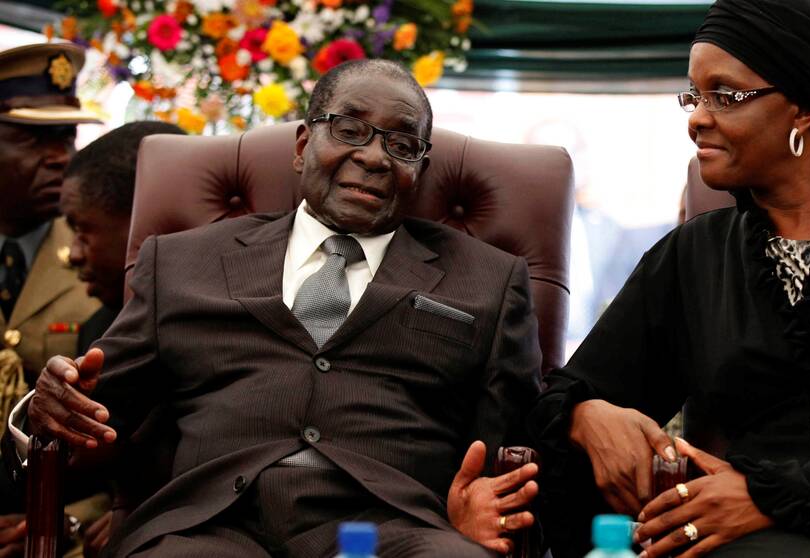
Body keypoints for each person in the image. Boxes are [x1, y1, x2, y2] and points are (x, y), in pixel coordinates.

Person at [9, 59, 541, 557]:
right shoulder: (183, 261)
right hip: (209, 528)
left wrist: (485, 506)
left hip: (396, 532)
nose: (375, 157)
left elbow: (516, 445)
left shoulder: (488, 281)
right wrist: (48, 409)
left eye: (402, 145)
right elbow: (91, 414)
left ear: (419, 169)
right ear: (303, 145)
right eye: (350, 130)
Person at [529, 1, 810, 556]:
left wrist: (771, 494)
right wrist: (587, 414)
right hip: (738, 533)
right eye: (694, 95)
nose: (696, 117)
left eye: (725, 95)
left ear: (802, 109)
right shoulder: (693, 254)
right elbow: (574, 393)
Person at [0, 41, 102, 555]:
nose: (59, 156)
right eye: (35, 138)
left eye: (66, 136)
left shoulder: (101, 256)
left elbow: (126, 426)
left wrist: (73, 524)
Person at [61, 121, 187, 353]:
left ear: (144, 221)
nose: (73, 254)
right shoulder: (99, 333)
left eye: (82, 230)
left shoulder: (238, 331)